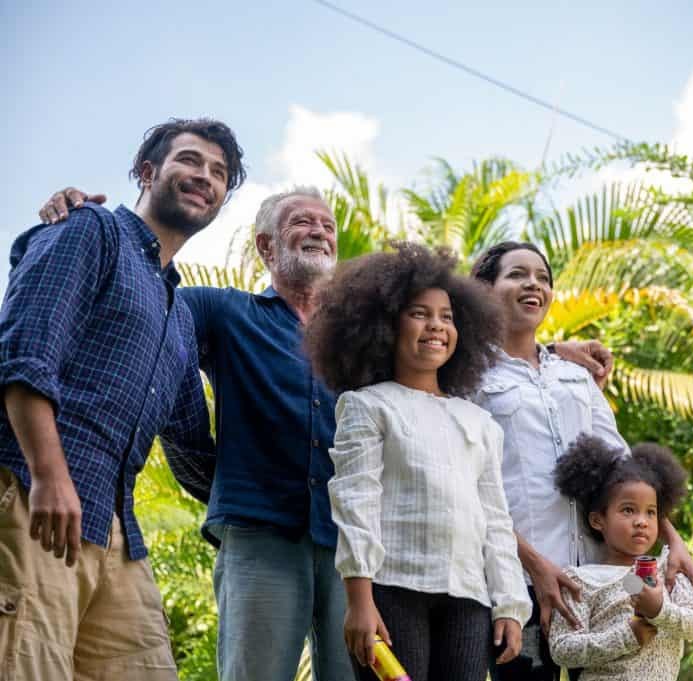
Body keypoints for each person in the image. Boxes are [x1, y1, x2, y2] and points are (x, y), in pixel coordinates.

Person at [34, 190, 609, 681]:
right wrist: (82, 220)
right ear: (266, 246)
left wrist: (549, 352)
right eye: (299, 222)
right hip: (262, 533)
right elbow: (141, 297)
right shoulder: (224, 313)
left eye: (327, 225)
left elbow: (441, 350)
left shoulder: (369, 341)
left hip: (354, 552)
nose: (318, 232)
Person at [0, 118, 244, 680]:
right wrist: (48, 473)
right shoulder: (90, 230)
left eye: (219, 173)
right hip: (36, 496)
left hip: (116, 530)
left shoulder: (178, 315)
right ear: (147, 171)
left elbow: (192, 446)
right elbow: (24, 353)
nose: (204, 177)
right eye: (189, 161)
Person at [470, 241, 693, 681]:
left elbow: (623, 470)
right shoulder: (471, 377)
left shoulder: (576, 376)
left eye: (543, 278)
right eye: (517, 274)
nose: (533, 285)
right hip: (518, 580)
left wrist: (672, 538)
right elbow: (470, 490)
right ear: (484, 289)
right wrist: (536, 567)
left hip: (601, 583)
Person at [304, 242, 532, 681]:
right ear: (385, 326)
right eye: (419, 313)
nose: (436, 326)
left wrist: (508, 603)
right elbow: (356, 502)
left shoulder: (480, 422)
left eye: (446, 316)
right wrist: (359, 600)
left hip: (469, 597)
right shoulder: (367, 406)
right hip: (392, 590)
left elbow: (496, 519)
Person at [548, 435, 693, 680]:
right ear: (598, 520)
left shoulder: (669, 571)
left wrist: (659, 610)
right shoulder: (580, 580)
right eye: (628, 510)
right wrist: (625, 636)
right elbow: (562, 649)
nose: (641, 521)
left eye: (651, 512)